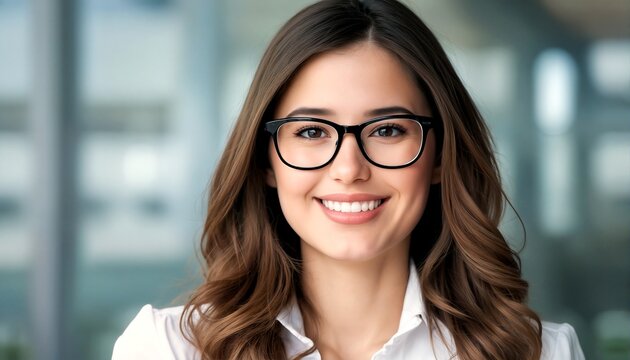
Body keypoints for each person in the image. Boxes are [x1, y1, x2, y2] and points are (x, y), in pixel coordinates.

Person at [112, 0, 585, 359]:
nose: (349, 169)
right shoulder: (169, 348)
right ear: (265, 162)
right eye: (313, 131)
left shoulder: (541, 352)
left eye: (387, 130)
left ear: (440, 156)